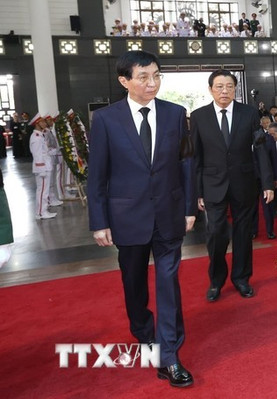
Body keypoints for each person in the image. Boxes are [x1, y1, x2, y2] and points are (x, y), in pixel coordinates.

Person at [86, 50, 196, 387]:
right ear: (124, 81)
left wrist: (189, 208)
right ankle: (143, 331)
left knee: (168, 284)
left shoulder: (176, 114)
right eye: (144, 77)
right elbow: (97, 175)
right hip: (127, 217)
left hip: (168, 214)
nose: (152, 83)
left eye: (157, 76)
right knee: (134, 284)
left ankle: (169, 355)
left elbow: (186, 164)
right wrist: (99, 221)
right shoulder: (106, 119)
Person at [190, 70, 274, 302]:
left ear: (235, 89)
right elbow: (195, 157)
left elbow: (260, 148)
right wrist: (197, 191)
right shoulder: (199, 116)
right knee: (216, 234)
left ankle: (241, 278)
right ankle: (216, 281)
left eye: (229, 86)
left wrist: (267, 183)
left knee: (243, 233)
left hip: (244, 183)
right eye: (219, 86)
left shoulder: (249, 113)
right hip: (212, 184)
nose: (224, 91)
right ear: (210, 89)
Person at [29, 113, 56, 220]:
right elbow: (37, 155)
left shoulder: (40, 135)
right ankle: (41, 212)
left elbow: (44, 151)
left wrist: (52, 151)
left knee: (45, 190)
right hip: (42, 168)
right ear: (37, 123)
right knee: (42, 191)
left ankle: (43, 210)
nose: (45, 123)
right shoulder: (36, 137)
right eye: (42, 122)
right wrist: (41, 169)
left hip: (46, 166)